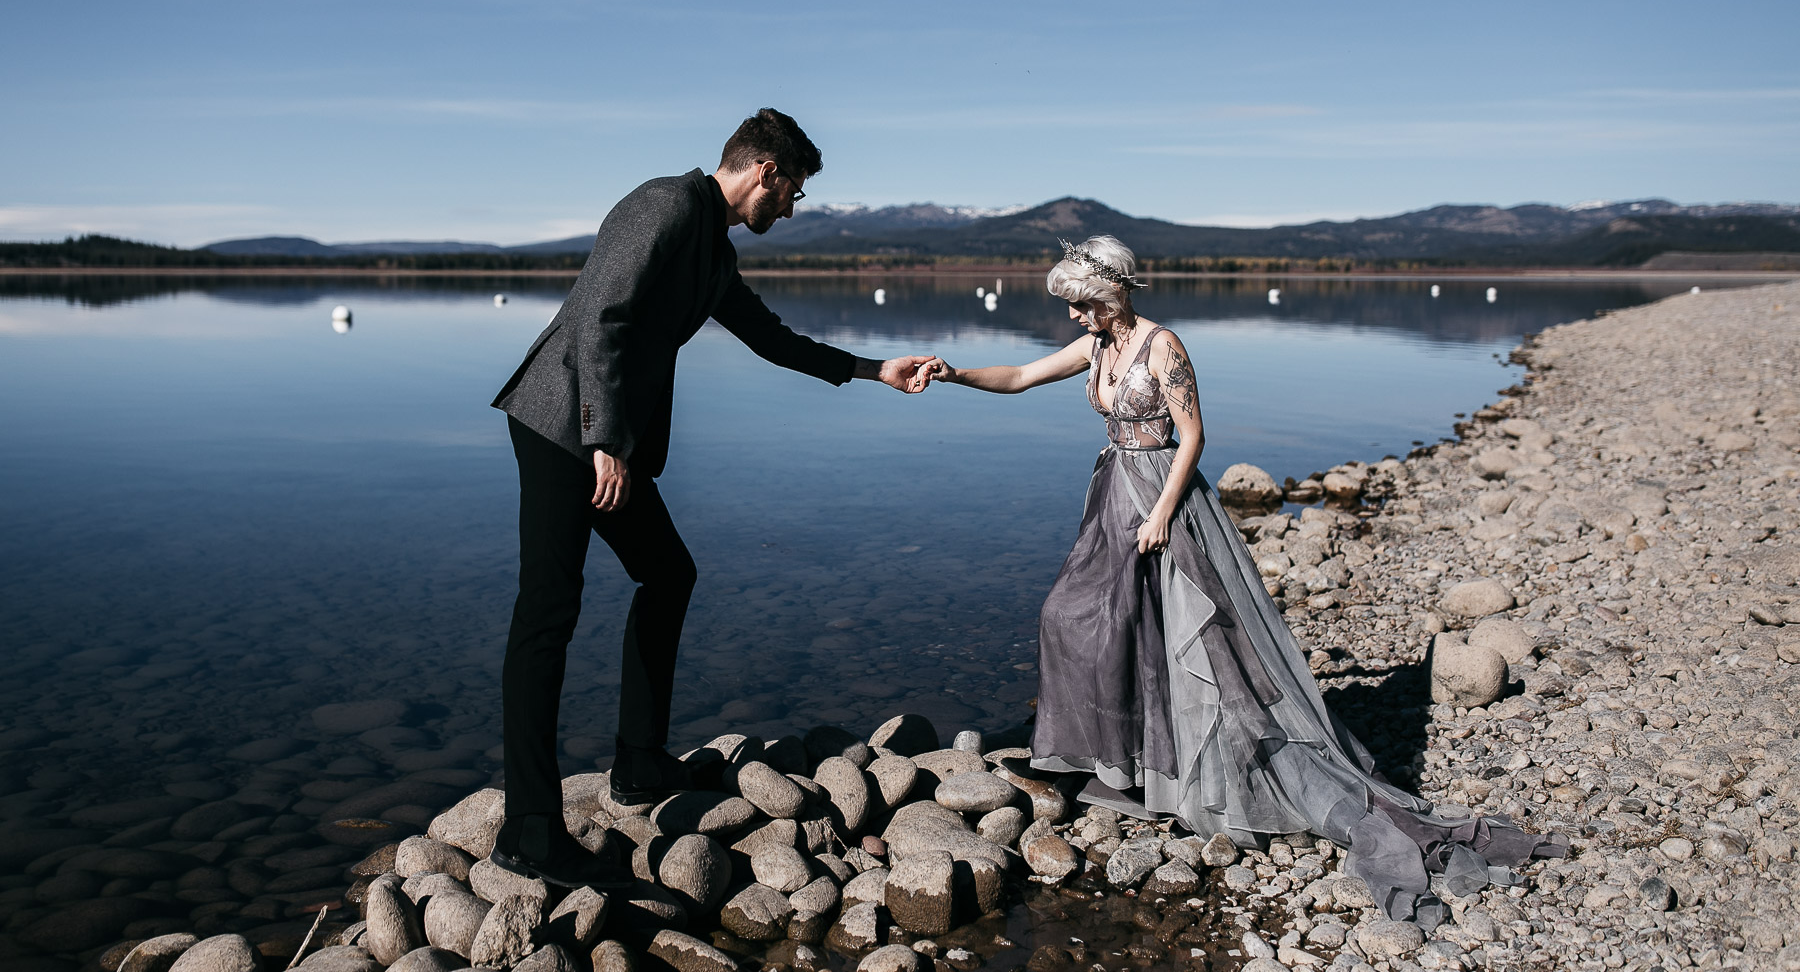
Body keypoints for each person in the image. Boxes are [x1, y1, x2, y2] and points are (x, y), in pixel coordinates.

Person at [915, 235, 1561, 925]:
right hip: (1114, 495)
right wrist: (953, 374)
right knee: (1074, 615)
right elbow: (1018, 376)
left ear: (1107, 293)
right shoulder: (1098, 348)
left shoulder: (1162, 346)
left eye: (1078, 304)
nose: (1072, 318)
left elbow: (1192, 436)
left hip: (1165, 499)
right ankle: (1114, 752)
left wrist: (1161, 514)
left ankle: (1194, 765)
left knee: (1197, 644)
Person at [489, 108, 935, 887]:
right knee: (548, 613)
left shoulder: (713, 251)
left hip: (602, 436)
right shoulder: (662, 205)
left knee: (669, 574)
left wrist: (873, 369)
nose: (792, 209)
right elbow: (602, 317)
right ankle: (528, 829)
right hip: (563, 424)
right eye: (792, 192)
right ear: (765, 171)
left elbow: (773, 340)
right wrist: (607, 440)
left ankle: (636, 763)